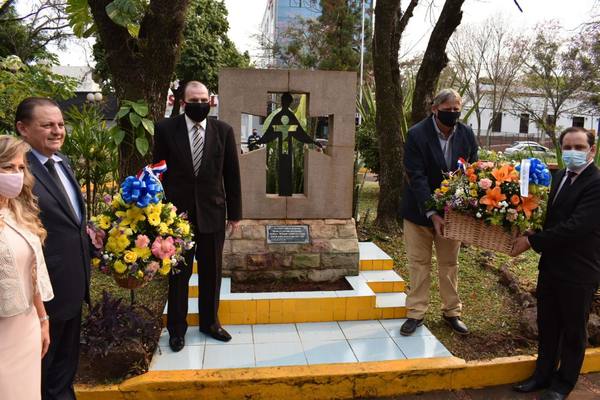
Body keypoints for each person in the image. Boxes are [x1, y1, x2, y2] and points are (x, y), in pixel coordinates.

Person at [511, 127, 600, 400]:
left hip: (579, 270)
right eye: (568, 147)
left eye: (580, 147)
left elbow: (576, 227)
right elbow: (550, 218)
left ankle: (563, 384)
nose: (573, 152)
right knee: (547, 324)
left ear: (592, 151)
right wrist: (530, 228)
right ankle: (542, 375)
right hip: (551, 267)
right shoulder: (558, 176)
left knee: (573, 329)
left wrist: (532, 243)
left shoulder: (596, 184)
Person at [153, 81, 241, 350]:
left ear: (211, 101)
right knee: (179, 274)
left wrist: (235, 214)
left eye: (204, 99)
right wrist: (158, 213)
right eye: (194, 100)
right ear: (183, 101)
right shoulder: (166, 129)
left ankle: (210, 323)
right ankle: (177, 329)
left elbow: (231, 174)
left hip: (214, 213)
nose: (200, 104)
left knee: (212, 272)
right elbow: (158, 171)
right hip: (177, 217)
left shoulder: (223, 131)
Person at [15, 97, 90, 400]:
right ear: (23, 128)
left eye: (60, 124)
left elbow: (70, 223)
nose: (57, 130)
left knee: (64, 369)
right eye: (47, 125)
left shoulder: (63, 162)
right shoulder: (18, 172)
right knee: (41, 374)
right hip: (43, 292)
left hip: (73, 284)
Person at [399, 89, 478, 337]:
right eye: (448, 109)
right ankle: (416, 313)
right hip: (418, 211)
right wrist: (432, 213)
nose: (453, 114)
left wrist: (461, 209)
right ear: (435, 108)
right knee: (419, 263)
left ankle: (452, 312)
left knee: (449, 263)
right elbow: (416, 177)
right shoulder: (416, 135)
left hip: (452, 214)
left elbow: (472, 172)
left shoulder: (466, 134)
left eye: (457, 109)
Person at [0, 135, 54, 400]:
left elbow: (31, 273)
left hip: (27, 327)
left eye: (20, 168)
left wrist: (43, 320)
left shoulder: (18, 213)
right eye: (7, 167)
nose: (16, 174)